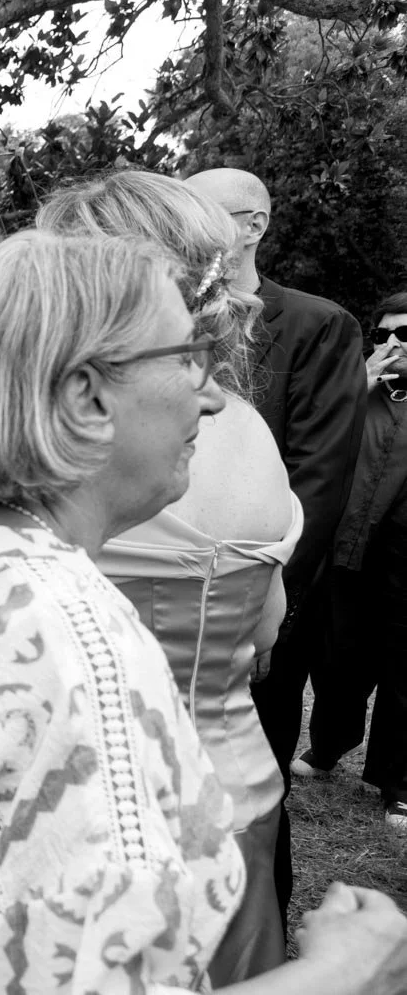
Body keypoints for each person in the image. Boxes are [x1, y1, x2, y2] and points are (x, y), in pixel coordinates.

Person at [0, 230, 407, 994]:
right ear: (88, 395)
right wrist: (345, 971)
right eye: (188, 357)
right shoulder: (81, 649)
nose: (212, 393)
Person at [37, 170, 296, 983]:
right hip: (241, 785)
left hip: (92, 822)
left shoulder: (65, 446)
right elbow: (264, 633)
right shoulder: (249, 430)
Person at [185, 167, 367, 914]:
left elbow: (321, 477)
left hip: (263, 591)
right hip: (161, 575)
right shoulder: (159, 318)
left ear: (252, 224)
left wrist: (270, 601)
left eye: (199, 212)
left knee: (252, 783)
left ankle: (258, 926)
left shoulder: (320, 325)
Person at [293, 291, 407, 830]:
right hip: (346, 549)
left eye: (402, 335)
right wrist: (353, 389)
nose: (389, 344)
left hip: (403, 558)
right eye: (382, 333)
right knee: (338, 659)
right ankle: (330, 746)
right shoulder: (357, 393)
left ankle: (397, 780)